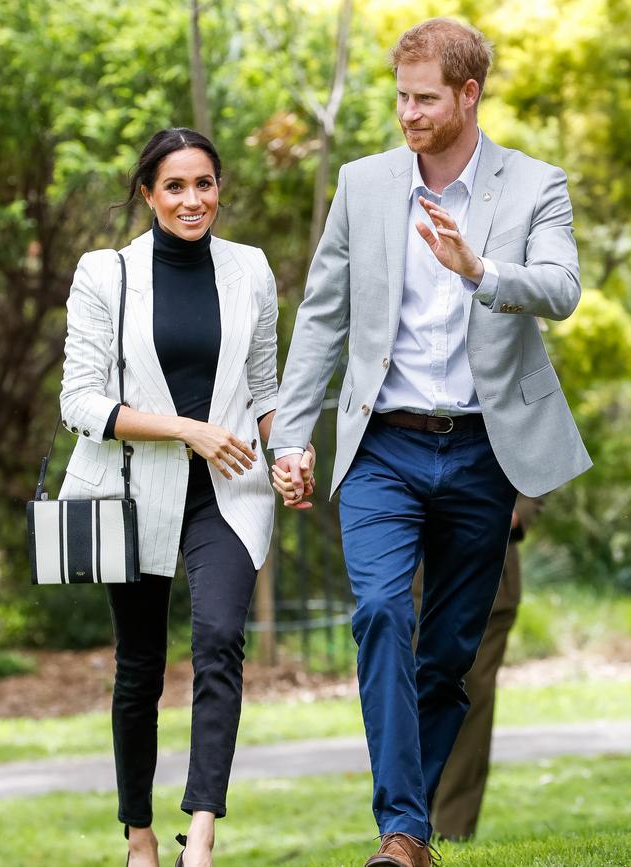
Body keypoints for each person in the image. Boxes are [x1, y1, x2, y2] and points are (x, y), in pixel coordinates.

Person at [269, 18, 590, 867]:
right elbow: (324, 320)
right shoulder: (365, 185)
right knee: (378, 611)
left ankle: (407, 827)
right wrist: (292, 435)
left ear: (468, 95)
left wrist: (480, 271)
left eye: (423, 98)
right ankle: (402, 832)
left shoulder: (532, 185)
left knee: (448, 657)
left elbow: (561, 289)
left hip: (487, 450)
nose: (407, 112)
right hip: (385, 444)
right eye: (400, 96)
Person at [59, 128, 312, 867]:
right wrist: (188, 430)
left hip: (228, 491)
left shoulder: (252, 270)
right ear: (147, 193)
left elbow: (266, 388)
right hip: (135, 490)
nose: (192, 199)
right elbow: (80, 401)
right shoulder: (107, 274)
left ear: (219, 187)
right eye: (175, 186)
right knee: (139, 665)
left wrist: (289, 450)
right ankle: (138, 837)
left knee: (219, 642)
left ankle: (199, 834)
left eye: (204, 183)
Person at [413, 493, 545, 840]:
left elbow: (543, 447)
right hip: (417, 579)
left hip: (491, 574)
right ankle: (407, 828)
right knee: (415, 695)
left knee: (473, 701)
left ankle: (454, 830)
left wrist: (519, 511)